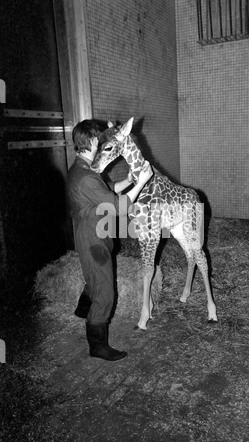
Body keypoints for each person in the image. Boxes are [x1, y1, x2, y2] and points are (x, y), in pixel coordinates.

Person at [67, 119, 153, 362]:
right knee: (105, 292)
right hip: (93, 237)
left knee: (94, 277)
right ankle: (98, 347)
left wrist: (131, 180)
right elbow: (117, 207)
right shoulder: (85, 177)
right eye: (100, 139)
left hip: (93, 233)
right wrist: (143, 183)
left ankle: (82, 310)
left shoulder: (83, 170)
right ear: (94, 141)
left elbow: (108, 189)